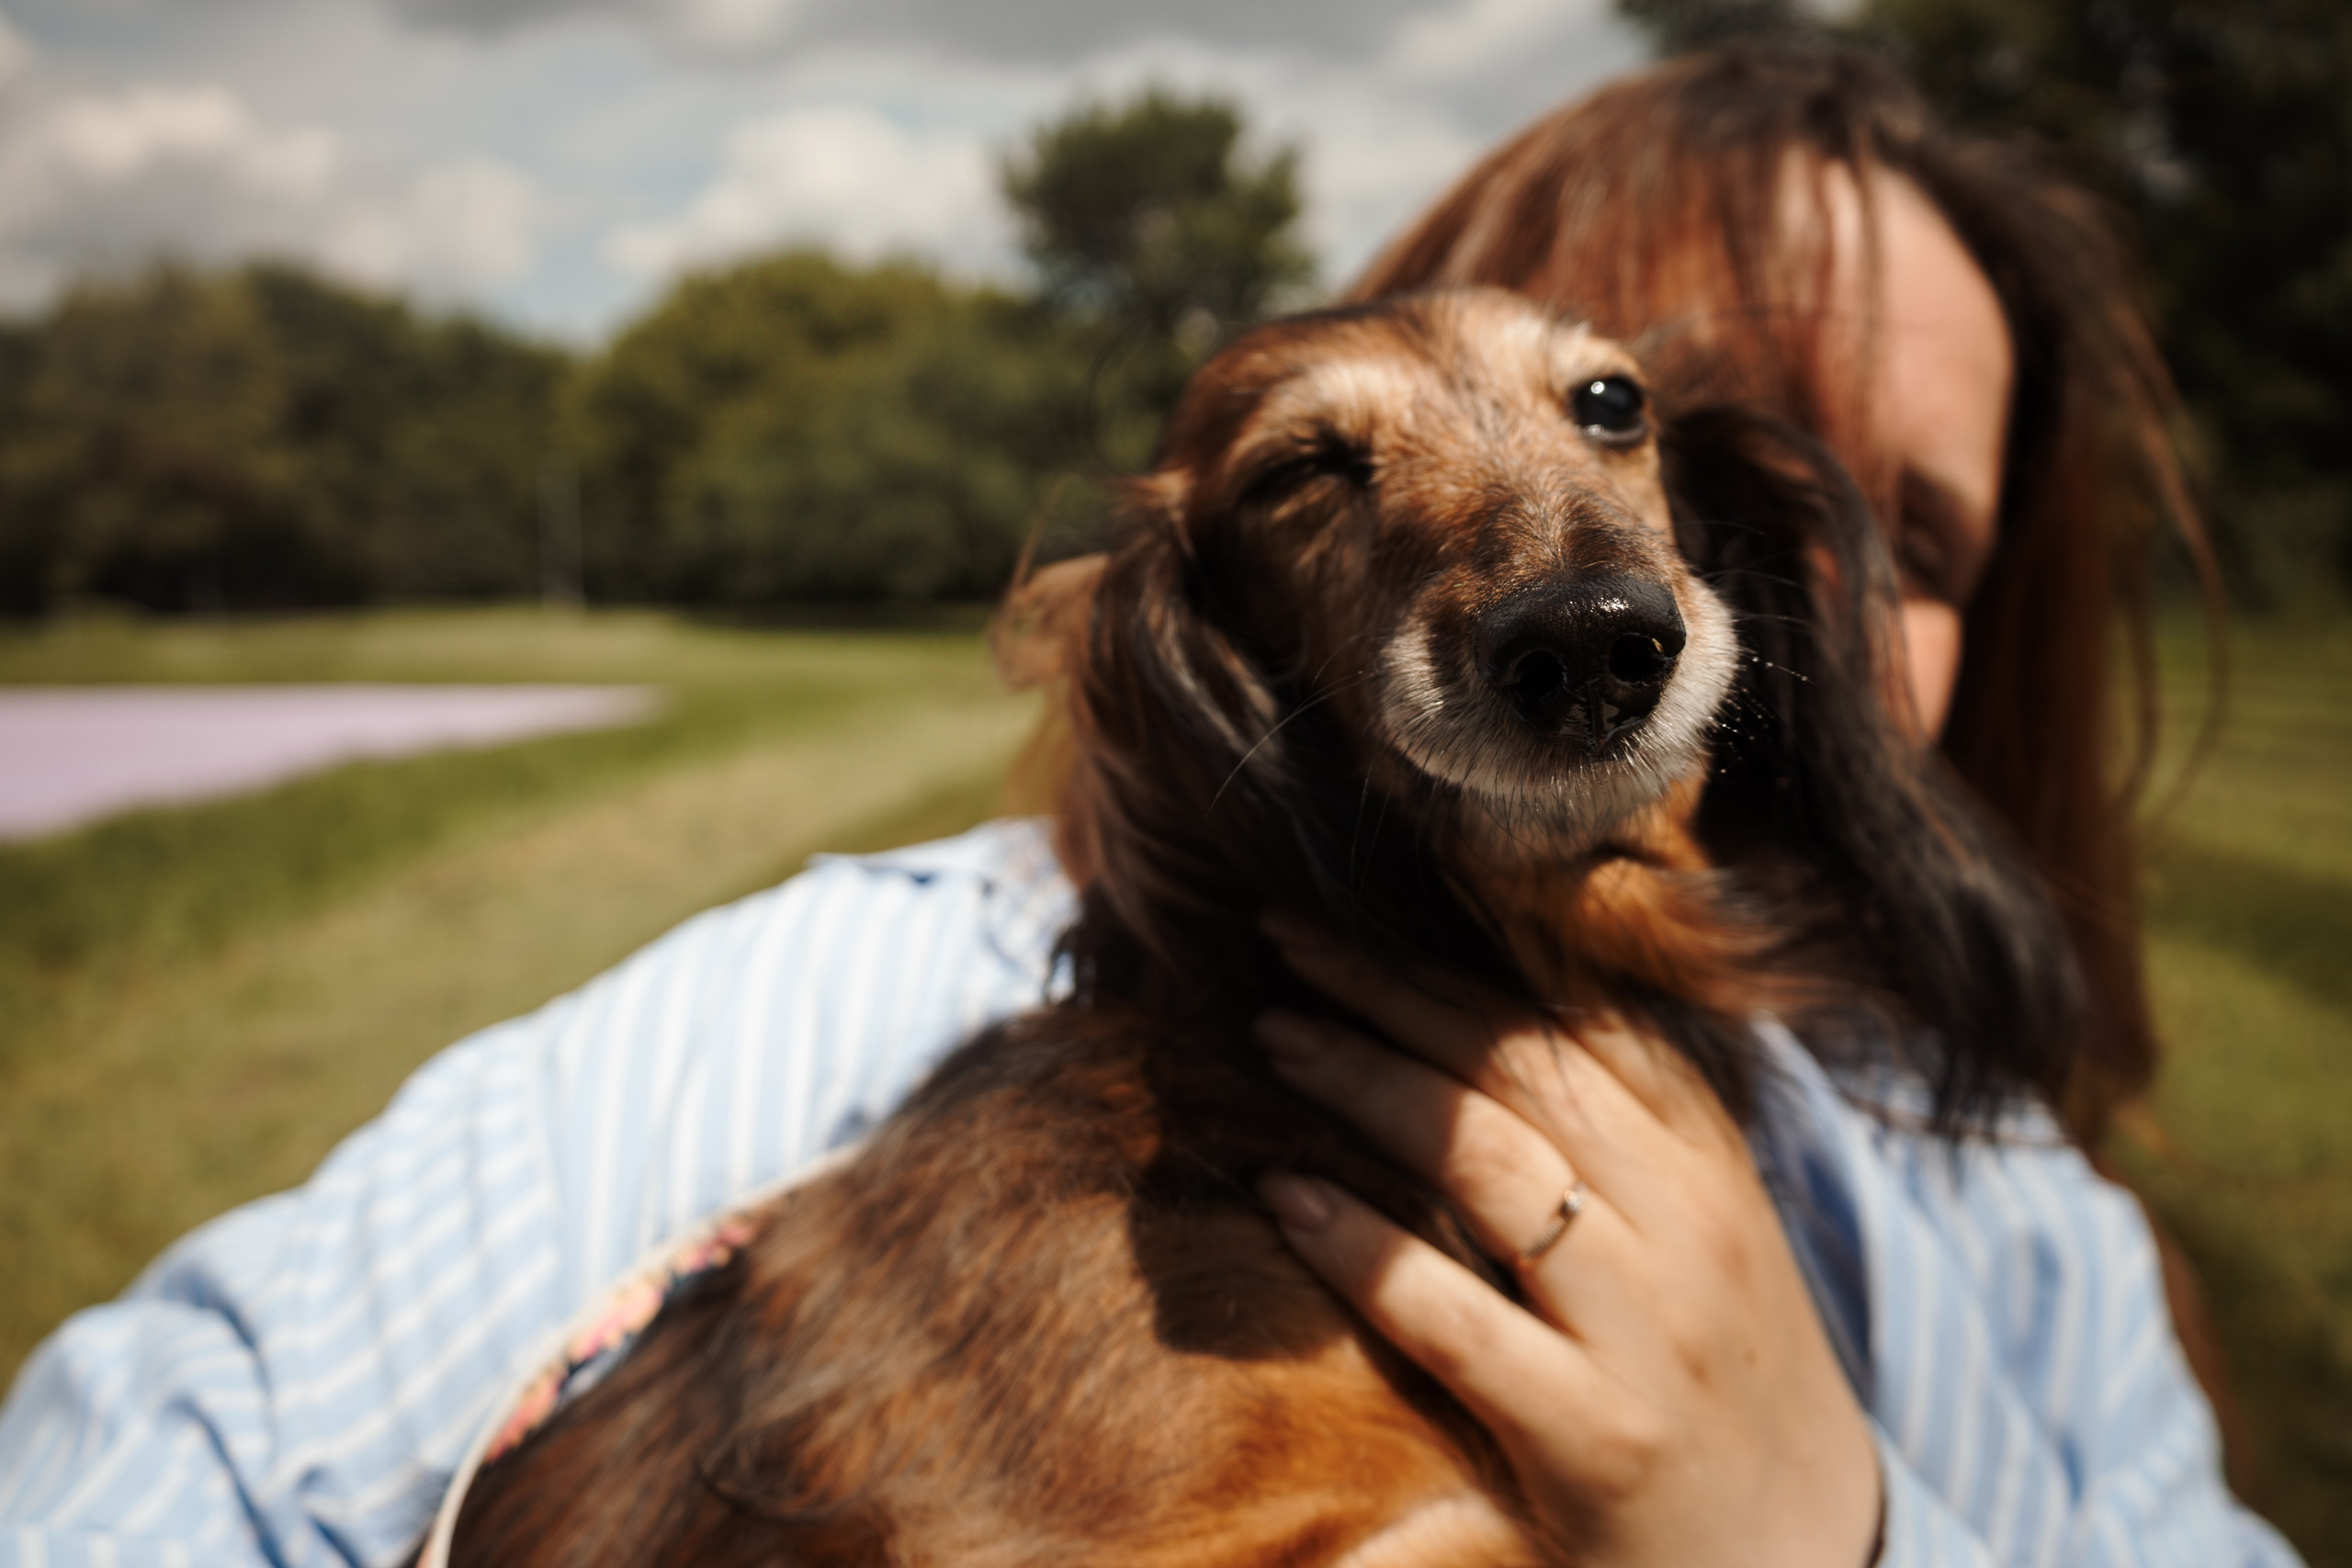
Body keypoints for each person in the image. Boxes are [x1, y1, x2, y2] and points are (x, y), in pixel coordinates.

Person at [0, 43, 2300, 1568]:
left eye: (1920, 529)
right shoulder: (875, 1001)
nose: (1636, 590)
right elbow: (163, 1460)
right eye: (1341, 464)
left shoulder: (2017, 1235)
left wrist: (1842, 1532)